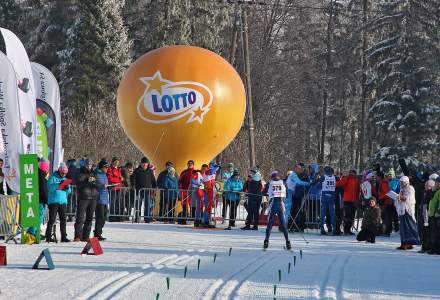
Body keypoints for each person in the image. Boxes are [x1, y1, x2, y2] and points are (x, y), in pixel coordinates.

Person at [263, 171, 291, 250]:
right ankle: (287, 241)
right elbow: (287, 195)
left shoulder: (270, 183)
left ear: (272, 177)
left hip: (273, 204)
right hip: (281, 205)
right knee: (283, 224)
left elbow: (264, 192)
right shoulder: (283, 182)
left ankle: (266, 240)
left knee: (270, 223)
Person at [45, 163, 72, 243]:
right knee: (52, 219)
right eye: (62, 173)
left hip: (63, 202)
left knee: (63, 219)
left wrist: (67, 188)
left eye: (65, 173)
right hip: (53, 201)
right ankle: (48, 236)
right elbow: (50, 188)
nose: (64, 174)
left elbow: (69, 191)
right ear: (59, 171)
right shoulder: (52, 178)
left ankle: (64, 236)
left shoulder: (65, 179)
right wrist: (58, 185)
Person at [74, 159, 98, 242]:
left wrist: (97, 184)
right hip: (83, 197)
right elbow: (79, 181)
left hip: (93, 198)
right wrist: (88, 179)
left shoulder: (94, 173)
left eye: (90, 165)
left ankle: (86, 236)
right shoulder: (80, 171)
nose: (89, 166)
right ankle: (77, 236)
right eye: (88, 165)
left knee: (89, 218)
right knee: (80, 218)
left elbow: (97, 183)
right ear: (85, 165)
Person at [395, 176, 420, 250]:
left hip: (408, 211)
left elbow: (410, 198)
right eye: (400, 182)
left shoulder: (410, 188)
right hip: (402, 211)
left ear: (406, 182)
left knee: (408, 227)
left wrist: (401, 198)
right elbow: (400, 199)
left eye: (402, 182)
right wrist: (398, 199)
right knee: (403, 228)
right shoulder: (401, 189)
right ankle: (404, 243)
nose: (401, 183)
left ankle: (409, 243)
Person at [28, 159, 50, 238]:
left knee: (37, 215)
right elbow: (43, 189)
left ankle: (35, 231)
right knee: (39, 215)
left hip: (36, 197)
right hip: (40, 198)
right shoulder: (42, 174)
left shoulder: (37, 172)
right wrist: (46, 200)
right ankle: (33, 232)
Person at [286, 164, 310, 231]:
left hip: (292, 192)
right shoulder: (293, 174)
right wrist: (308, 183)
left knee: (292, 209)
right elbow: (298, 182)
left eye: (300, 169)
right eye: (298, 169)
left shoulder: (295, 174)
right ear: (295, 169)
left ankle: (290, 226)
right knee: (289, 209)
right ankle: (286, 225)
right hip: (290, 192)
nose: (300, 170)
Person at [336, 169, 360, 235]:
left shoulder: (357, 180)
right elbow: (340, 184)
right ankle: (346, 230)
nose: (350, 174)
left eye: (352, 173)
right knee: (347, 216)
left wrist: (358, 200)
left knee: (352, 216)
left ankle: (348, 229)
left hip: (354, 201)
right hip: (347, 200)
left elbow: (359, 190)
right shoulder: (347, 179)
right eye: (350, 173)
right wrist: (346, 177)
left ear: (355, 174)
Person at [134, 157, 157, 223]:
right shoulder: (137, 170)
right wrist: (134, 187)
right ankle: (137, 217)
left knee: (147, 205)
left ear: (147, 164)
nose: (144, 164)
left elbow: (153, 180)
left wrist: (155, 187)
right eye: (143, 163)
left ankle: (147, 218)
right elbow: (133, 179)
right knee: (138, 204)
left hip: (148, 191)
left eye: (146, 163)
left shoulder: (150, 171)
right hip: (139, 191)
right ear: (141, 164)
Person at [319, 166, 337, 235]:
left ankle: (322, 229)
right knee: (332, 213)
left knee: (323, 214)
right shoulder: (334, 177)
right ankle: (334, 228)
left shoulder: (323, 177)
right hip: (332, 196)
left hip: (325, 196)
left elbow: (320, 186)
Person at [94, 160, 110, 241]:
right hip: (99, 199)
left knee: (103, 218)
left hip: (105, 199)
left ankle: (98, 232)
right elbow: (95, 185)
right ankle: (97, 234)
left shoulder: (104, 175)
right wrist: (102, 186)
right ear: (101, 167)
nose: (107, 169)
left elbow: (106, 184)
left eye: (107, 167)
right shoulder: (96, 174)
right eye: (105, 167)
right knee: (99, 218)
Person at [201, 162, 220, 227]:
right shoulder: (208, 171)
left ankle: (207, 221)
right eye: (212, 166)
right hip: (207, 191)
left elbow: (217, 171)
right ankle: (205, 221)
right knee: (207, 206)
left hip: (211, 191)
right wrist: (216, 167)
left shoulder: (213, 172)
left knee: (210, 207)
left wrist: (218, 167)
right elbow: (211, 171)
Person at [419, 179, 435, 253]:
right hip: (424, 215)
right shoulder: (425, 193)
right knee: (424, 232)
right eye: (425, 185)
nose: (425, 186)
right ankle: (424, 247)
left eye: (426, 185)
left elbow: (428, 205)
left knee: (427, 232)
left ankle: (427, 247)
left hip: (427, 217)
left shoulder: (431, 193)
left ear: (430, 186)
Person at [107, 157, 124, 222]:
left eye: (117, 162)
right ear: (112, 162)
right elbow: (110, 179)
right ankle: (112, 217)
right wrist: (119, 180)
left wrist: (121, 179)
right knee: (112, 203)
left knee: (118, 203)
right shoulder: (110, 169)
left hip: (118, 188)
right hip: (113, 188)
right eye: (115, 162)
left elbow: (119, 178)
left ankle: (117, 217)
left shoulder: (119, 169)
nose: (117, 163)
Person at [178, 160, 195, 224]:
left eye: (191, 163)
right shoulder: (184, 172)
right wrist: (181, 189)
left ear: (193, 165)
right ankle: (184, 218)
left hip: (192, 192)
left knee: (192, 206)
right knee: (184, 206)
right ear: (187, 164)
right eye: (189, 163)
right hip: (184, 191)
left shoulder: (195, 172)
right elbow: (179, 181)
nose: (190, 164)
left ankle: (192, 219)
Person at [378, 172, 394, 236]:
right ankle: (386, 231)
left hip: (386, 202)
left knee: (386, 217)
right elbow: (387, 193)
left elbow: (386, 193)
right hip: (386, 202)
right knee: (386, 217)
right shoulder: (384, 182)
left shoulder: (384, 182)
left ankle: (387, 231)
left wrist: (381, 198)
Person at [428, 177, 440, 254]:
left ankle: (438, 249)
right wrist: (432, 191)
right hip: (432, 214)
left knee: (438, 233)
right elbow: (431, 200)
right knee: (433, 233)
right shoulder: (435, 191)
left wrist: (438, 211)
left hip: (437, 215)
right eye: (435, 182)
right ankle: (434, 249)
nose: (435, 184)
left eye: (437, 182)